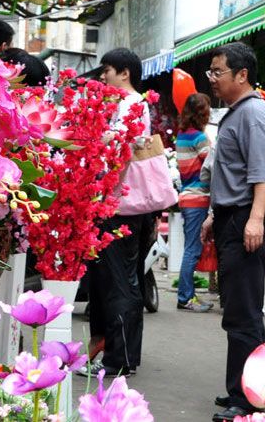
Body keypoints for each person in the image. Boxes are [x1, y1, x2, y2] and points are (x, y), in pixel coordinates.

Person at [200, 42, 265, 422]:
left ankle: (249, 401)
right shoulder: (237, 113)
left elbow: (263, 173)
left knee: (246, 312)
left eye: (218, 72)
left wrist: (256, 219)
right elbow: (231, 174)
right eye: (211, 73)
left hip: (248, 218)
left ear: (242, 75)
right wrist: (216, 215)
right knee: (235, 309)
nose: (212, 79)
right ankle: (239, 389)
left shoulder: (255, 114)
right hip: (234, 216)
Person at [81, 48, 150, 378]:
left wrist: (103, 194)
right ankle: (121, 356)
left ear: (124, 73)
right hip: (118, 204)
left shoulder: (131, 105)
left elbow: (120, 153)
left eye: (108, 69)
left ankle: (117, 359)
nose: (103, 75)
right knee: (121, 280)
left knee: (118, 282)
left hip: (117, 206)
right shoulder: (128, 104)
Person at [175, 93, 215, 312]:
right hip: (197, 198)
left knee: (190, 247)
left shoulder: (182, 135)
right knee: (192, 249)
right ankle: (185, 297)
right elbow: (212, 163)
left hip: (186, 197)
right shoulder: (199, 138)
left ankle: (188, 295)